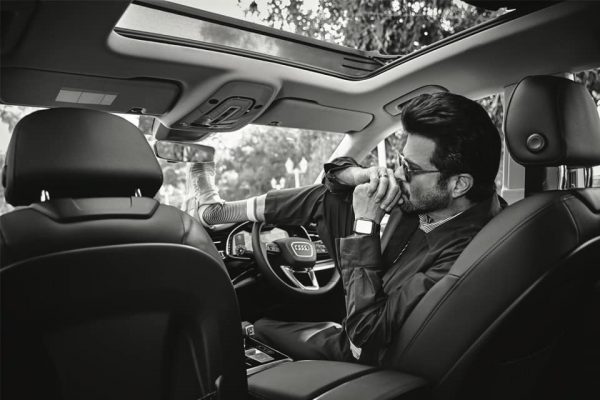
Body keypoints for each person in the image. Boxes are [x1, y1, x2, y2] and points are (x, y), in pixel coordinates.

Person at [185, 92, 504, 367]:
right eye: (399, 161)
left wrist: (365, 225)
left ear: (459, 184)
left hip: (366, 344)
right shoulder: (436, 198)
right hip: (371, 288)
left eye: (410, 169)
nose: (397, 173)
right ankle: (218, 213)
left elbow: (365, 335)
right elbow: (333, 178)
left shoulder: (463, 254)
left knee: (261, 325)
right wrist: (358, 175)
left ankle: (251, 331)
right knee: (330, 196)